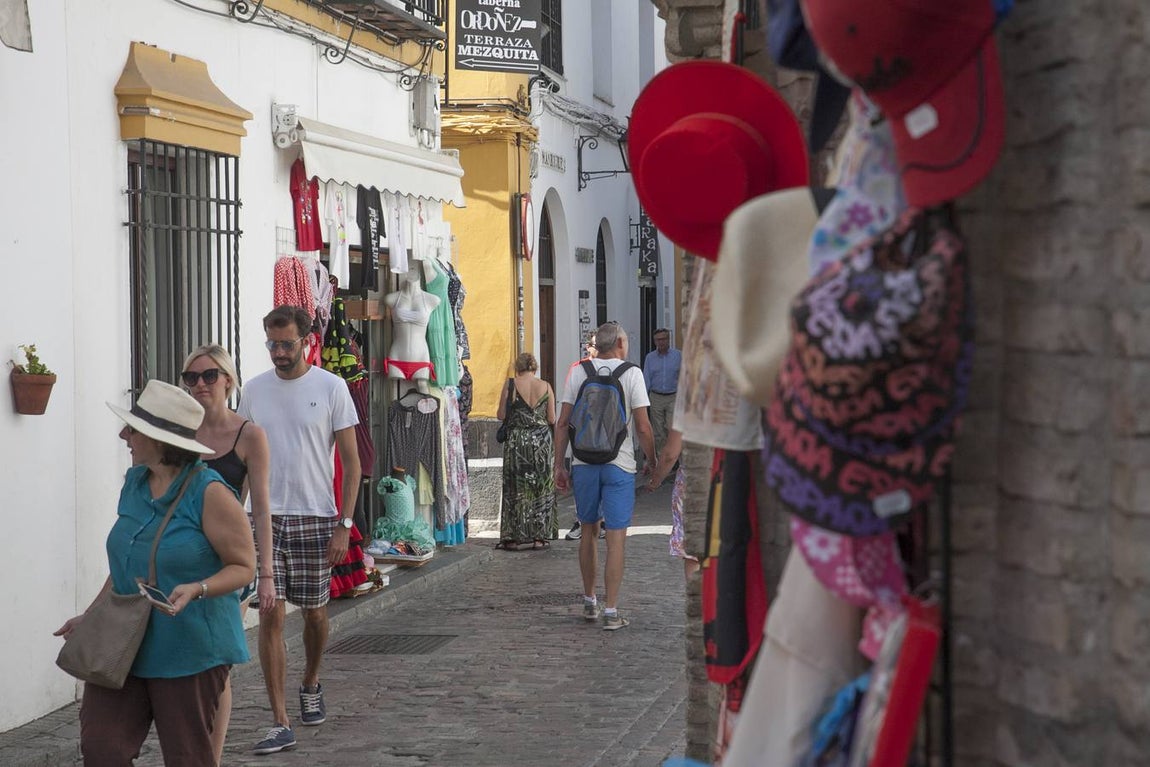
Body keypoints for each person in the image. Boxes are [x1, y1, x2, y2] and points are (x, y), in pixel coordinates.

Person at [55, 380, 256, 766]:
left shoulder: (211, 494)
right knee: (102, 748)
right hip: (123, 643)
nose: (123, 435)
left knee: (186, 757)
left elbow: (244, 565)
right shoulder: (134, 484)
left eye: (132, 429)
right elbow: (126, 566)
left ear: (160, 439)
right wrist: (93, 616)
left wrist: (197, 588)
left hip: (190, 649)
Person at [238, 305, 361, 755]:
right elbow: (240, 463)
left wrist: (344, 526)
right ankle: (280, 719)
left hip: (315, 516)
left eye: (286, 343)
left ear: (307, 340)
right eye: (272, 344)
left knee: (314, 613)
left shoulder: (331, 388)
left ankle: (311, 680)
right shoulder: (252, 392)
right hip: (264, 519)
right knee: (269, 613)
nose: (278, 352)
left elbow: (352, 464)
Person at [554, 321, 656, 631]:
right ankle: (611, 610)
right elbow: (642, 426)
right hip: (619, 464)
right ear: (621, 344)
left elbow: (563, 423)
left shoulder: (579, 372)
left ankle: (589, 602)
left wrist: (559, 464)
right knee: (616, 539)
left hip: (584, 463)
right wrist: (652, 460)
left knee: (587, 532)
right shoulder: (632, 374)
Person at [181, 344, 275, 618]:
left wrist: (265, 572)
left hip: (230, 552)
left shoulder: (250, 435)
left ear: (228, 380)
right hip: (183, 548)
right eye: (191, 377)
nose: (200, 384)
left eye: (210, 375)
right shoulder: (179, 433)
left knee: (223, 643)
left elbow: (260, 507)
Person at [496, 352, 558, 550]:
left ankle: (513, 537)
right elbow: (551, 419)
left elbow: (501, 415)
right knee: (542, 487)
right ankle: (540, 537)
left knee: (516, 488)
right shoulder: (546, 386)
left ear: (518, 367)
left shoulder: (511, 385)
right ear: (535, 367)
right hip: (541, 441)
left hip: (518, 441)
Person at [564, 333, 604, 542]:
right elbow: (570, 402)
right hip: (583, 433)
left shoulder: (615, 367)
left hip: (607, 433)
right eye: (590, 345)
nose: (592, 348)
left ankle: (601, 521)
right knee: (582, 481)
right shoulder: (578, 368)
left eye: (595, 344)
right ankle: (581, 521)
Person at [646, 428, 700, 579]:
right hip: (729, 481)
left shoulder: (689, 407)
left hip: (694, 484)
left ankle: (698, 601)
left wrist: (655, 480)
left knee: (693, 553)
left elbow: (670, 454)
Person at [383, 266, 440, 394]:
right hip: (397, 355)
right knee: (393, 398)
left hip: (421, 356)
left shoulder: (432, 300)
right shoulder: (392, 299)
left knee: (425, 400)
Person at [643, 328, 681, 462]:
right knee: (658, 431)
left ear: (668, 339)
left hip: (673, 396)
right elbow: (646, 378)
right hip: (656, 396)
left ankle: (674, 457)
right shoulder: (650, 358)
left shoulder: (678, 356)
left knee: (672, 428)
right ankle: (663, 458)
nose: (661, 342)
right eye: (658, 340)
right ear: (654, 341)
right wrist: (643, 399)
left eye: (664, 339)